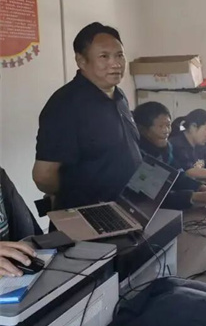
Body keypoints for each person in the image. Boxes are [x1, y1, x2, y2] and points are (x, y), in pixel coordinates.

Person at [33, 22, 142, 210]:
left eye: (119, 55)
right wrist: (72, 195)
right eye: (104, 56)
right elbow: (43, 175)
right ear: (81, 61)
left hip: (127, 207)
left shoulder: (119, 96)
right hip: (89, 213)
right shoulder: (65, 105)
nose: (116, 64)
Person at [133, 102, 206, 210]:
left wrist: (201, 187)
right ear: (143, 130)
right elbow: (150, 197)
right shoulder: (138, 154)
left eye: (168, 125)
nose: (166, 131)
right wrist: (196, 197)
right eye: (161, 126)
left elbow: (177, 175)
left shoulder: (167, 149)